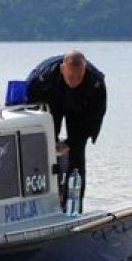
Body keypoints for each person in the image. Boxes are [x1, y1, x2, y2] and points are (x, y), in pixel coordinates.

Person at [26, 50, 107, 208]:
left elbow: (95, 117)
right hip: (50, 102)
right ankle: (43, 202)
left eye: (79, 76)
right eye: (71, 76)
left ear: (85, 71)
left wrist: (72, 142)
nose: (75, 81)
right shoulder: (42, 77)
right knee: (43, 150)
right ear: (63, 69)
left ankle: (74, 206)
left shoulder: (95, 82)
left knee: (77, 156)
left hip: (80, 108)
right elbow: (28, 108)